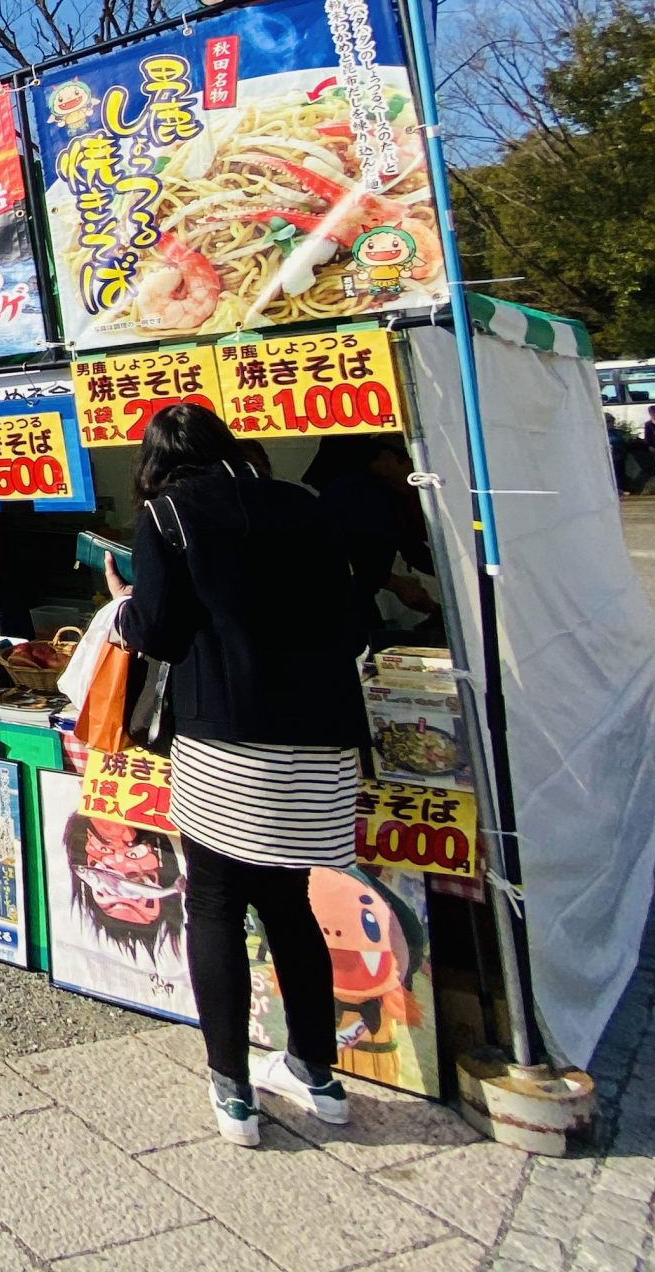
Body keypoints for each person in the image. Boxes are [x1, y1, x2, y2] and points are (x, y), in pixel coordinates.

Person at [107, 400, 374, 1147]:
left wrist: (122, 608)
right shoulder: (307, 505)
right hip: (322, 740)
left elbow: (157, 631)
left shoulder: (168, 517)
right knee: (290, 902)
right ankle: (318, 1076)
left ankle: (233, 1092)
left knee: (217, 904)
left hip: (228, 740)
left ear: (156, 463)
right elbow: (356, 621)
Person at [300, 435, 437, 638]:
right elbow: (350, 554)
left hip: (355, 596)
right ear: (387, 458)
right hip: (334, 601)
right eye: (412, 464)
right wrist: (397, 583)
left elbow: (412, 548)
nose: (416, 476)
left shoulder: (389, 494)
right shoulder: (358, 492)